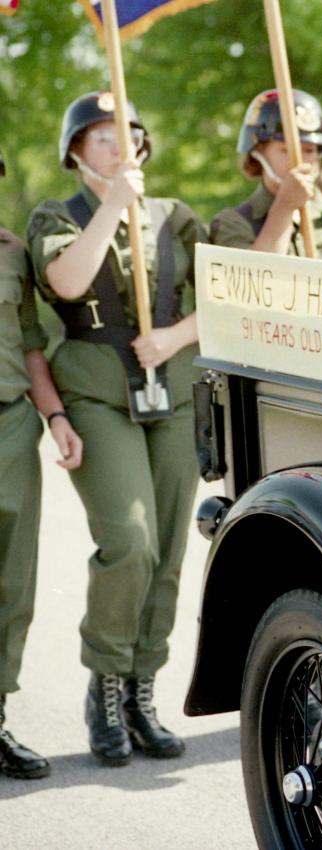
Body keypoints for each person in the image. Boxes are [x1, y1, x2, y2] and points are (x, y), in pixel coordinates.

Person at [27, 91, 203, 767]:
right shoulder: (60, 215)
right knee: (128, 541)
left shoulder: (175, 218)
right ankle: (104, 682)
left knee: (165, 549)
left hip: (173, 391)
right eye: (102, 139)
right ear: (77, 154)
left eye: (127, 134)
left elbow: (229, 293)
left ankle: (140, 688)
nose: (118, 147)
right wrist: (111, 205)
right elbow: (68, 283)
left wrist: (177, 335)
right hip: (98, 394)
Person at [0, 148, 83, 780]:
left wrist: (55, 418)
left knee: (12, 584)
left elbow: (31, 347)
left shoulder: (10, 255)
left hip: (10, 426)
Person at [210, 89, 322, 264]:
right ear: (258, 152)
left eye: (309, 150)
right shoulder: (232, 223)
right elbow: (251, 283)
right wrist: (285, 207)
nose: (301, 160)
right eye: (287, 150)